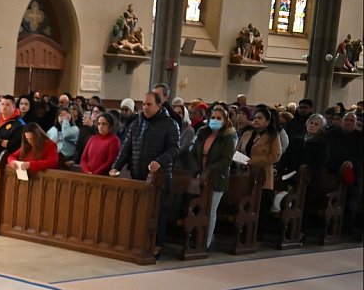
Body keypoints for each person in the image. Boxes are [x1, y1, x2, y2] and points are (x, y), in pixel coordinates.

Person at [109, 91, 181, 256]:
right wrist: (116, 166)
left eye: (149, 104)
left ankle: (157, 244)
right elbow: (126, 148)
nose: (145, 107)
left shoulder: (170, 124)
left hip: (159, 178)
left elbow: (174, 149)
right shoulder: (137, 123)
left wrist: (160, 161)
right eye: (143, 104)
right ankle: (137, 243)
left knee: (156, 212)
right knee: (138, 211)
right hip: (138, 175)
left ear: (159, 105)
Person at [192, 104, 237, 249]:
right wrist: (197, 169)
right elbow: (194, 152)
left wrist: (209, 172)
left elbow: (226, 160)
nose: (215, 120)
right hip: (201, 176)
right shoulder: (203, 132)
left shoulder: (228, 137)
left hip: (217, 178)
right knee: (199, 208)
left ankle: (206, 242)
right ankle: (196, 237)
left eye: (219, 118)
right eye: (213, 117)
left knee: (210, 210)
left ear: (225, 121)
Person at [237, 106, 281, 224]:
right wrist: (242, 160)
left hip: (263, 176)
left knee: (260, 207)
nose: (256, 120)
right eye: (255, 118)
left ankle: (257, 235)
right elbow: (237, 152)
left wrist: (252, 161)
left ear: (267, 122)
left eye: (260, 118)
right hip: (245, 174)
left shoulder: (273, 136)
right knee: (246, 204)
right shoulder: (247, 134)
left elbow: (275, 156)